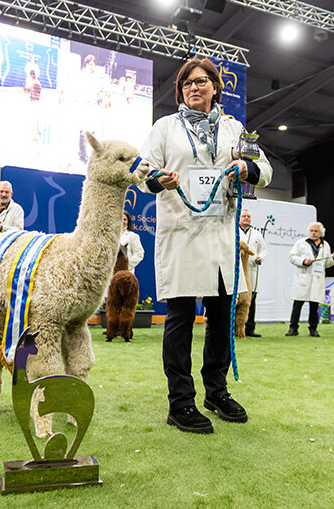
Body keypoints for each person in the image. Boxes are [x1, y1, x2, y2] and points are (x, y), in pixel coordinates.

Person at [140, 57, 273, 434]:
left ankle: (216, 391)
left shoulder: (235, 129)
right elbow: (141, 170)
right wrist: (157, 180)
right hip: (182, 235)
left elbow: (264, 169)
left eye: (201, 82)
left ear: (216, 87)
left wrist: (247, 169)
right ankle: (180, 402)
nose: (193, 88)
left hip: (220, 238)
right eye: (186, 84)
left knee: (220, 320)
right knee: (180, 321)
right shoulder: (165, 127)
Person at [287, 221, 334, 337]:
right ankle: (293, 328)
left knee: (314, 306)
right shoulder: (301, 243)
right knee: (298, 304)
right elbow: (292, 257)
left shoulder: (325, 245)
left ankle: (313, 329)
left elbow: (326, 263)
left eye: (316, 231)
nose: (313, 233)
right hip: (303, 277)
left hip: (317, 278)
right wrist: (303, 261)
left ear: (321, 233)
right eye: (311, 230)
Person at [239, 209, 267, 338]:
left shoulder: (257, 234)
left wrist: (260, 257)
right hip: (237, 271)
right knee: (237, 300)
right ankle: (234, 327)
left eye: (248, 216)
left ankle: (250, 328)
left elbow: (263, 250)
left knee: (251, 300)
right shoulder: (233, 231)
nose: (246, 218)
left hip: (251, 270)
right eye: (244, 216)